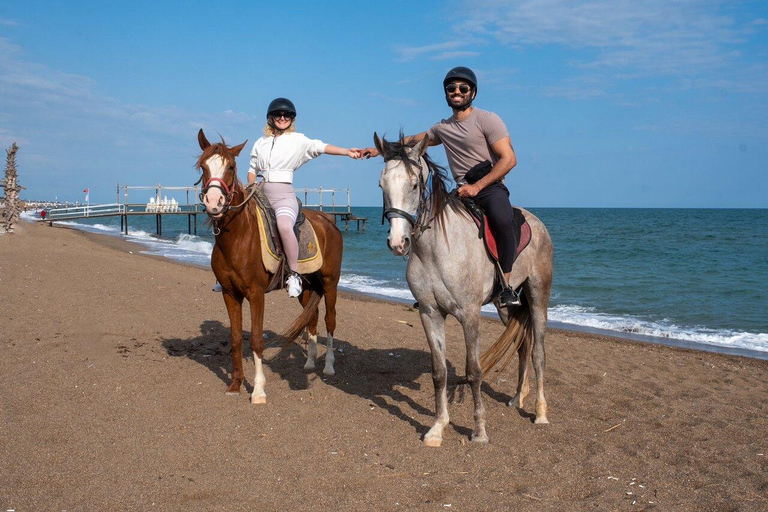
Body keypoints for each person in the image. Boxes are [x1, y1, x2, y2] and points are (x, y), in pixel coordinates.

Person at [361, 66, 521, 306]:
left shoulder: (489, 120)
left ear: (473, 93)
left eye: (463, 88)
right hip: (460, 190)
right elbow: (415, 139)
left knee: (503, 219)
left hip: (488, 186)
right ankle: (429, 287)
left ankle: (506, 286)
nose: (457, 91)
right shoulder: (442, 128)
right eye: (451, 88)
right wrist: (380, 150)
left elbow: (509, 159)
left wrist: (477, 187)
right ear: (446, 93)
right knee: (427, 224)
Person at [248, 97, 362, 297]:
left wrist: (346, 151)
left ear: (291, 119)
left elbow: (321, 147)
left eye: (287, 115)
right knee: (237, 220)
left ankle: (293, 274)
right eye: (278, 114)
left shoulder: (298, 140)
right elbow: (252, 169)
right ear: (270, 118)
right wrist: (251, 183)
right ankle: (228, 276)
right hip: (260, 195)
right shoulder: (261, 142)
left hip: (284, 197)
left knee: (284, 226)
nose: (282, 118)